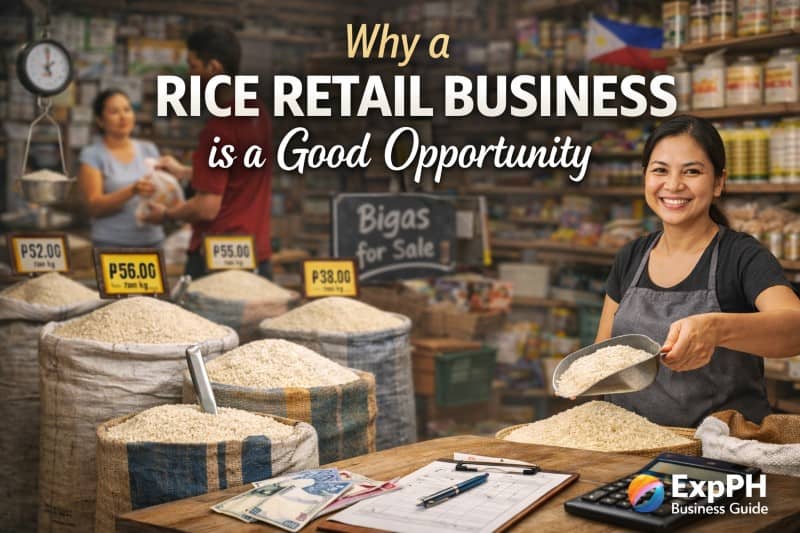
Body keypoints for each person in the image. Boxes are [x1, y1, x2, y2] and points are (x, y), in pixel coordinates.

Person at [595, 115, 800, 427]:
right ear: (645, 178)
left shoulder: (741, 256)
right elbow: (602, 355)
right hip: (633, 450)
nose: (673, 185)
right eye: (660, 170)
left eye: (691, 171)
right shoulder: (631, 256)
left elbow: (795, 328)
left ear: (718, 182)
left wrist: (715, 329)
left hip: (720, 457)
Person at [143, 25, 272, 279]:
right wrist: (185, 172)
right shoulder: (258, 112)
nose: (189, 76)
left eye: (193, 67)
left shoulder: (219, 127)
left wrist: (167, 215)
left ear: (213, 68)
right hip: (257, 254)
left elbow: (206, 208)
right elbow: (237, 174)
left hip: (218, 259)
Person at [78, 89, 162, 248]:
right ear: (100, 120)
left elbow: (161, 194)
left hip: (153, 242)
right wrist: (132, 190)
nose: (123, 117)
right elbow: (93, 206)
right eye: (114, 112)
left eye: (127, 109)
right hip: (112, 244)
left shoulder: (149, 149)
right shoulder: (93, 155)